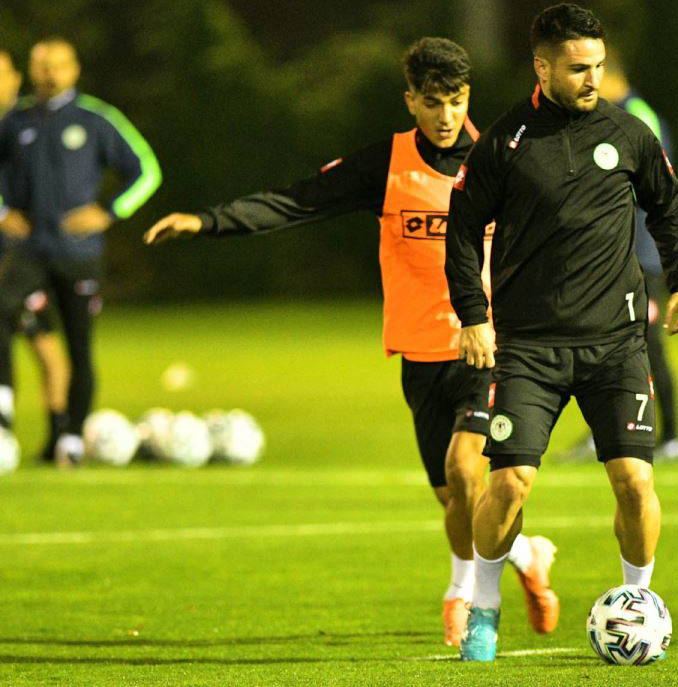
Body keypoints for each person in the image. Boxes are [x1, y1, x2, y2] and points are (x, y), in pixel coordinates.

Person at [143, 37, 559, 648]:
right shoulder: (387, 164)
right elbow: (298, 201)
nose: (446, 116)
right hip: (419, 355)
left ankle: (463, 595)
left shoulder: (500, 158)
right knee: (456, 497)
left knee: (465, 469)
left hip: (487, 348)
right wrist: (207, 221)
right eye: (433, 103)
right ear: (411, 100)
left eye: (456, 101)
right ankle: (527, 554)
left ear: (469, 96)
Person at [446, 3, 678, 662]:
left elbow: (669, 207)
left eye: (597, 65)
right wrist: (473, 315)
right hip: (529, 347)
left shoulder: (629, 132)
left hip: (615, 344)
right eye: (577, 68)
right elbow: (462, 227)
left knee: (635, 481)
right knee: (508, 483)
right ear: (541, 67)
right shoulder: (506, 142)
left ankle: (638, 603)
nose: (593, 79)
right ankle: (484, 606)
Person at [0, 38, 160, 466]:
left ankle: (70, 440)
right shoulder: (15, 120)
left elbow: (147, 171)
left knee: (78, 346)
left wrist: (110, 211)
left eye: (58, 65)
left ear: (74, 69)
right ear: (31, 70)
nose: (50, 73)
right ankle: (3, 411)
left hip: (78, 254)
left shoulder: (95, 118)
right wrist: (2, 212)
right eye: (42, 65)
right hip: (29, 251)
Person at [560, 52, 678, 463]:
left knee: (647, 345)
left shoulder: (638, 117)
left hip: (640, 254)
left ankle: (671, 437)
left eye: (592, 75)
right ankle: (606, 430)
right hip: (613, 254)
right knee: (604, 346)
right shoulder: (611, 118)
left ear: (609, 76)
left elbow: (650, 184)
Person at [0, 49, 70, 464]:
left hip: (26, 256)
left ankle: (60, 433)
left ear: (14, 78)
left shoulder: (28, 122)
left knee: (44, 342)